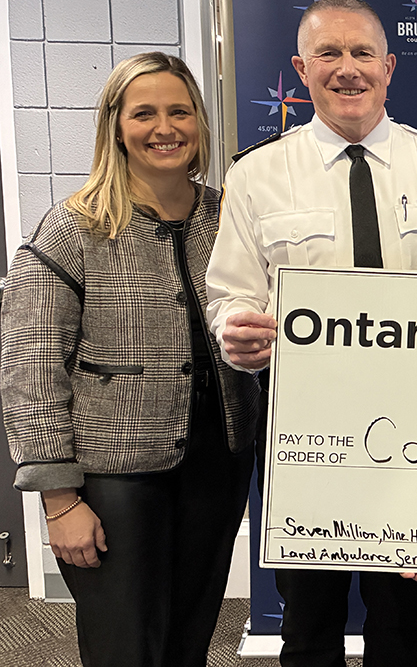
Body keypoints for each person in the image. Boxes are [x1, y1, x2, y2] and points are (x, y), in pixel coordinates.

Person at [205, 0, 417, 667]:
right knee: (309, 620)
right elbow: (230, 294)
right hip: (304, 430)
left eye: (362, 52)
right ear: (301, 69)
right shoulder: (255, 177)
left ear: (389, 66)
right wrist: (236, 333)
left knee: (400, 619)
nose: (347, 69)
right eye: (328, 54)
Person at [0, 52, 260, 667]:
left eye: (180, 111)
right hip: (113, 473)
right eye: (144, 114)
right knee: (124, 647)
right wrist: (58, 500)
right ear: (114, 126)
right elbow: (30, 368)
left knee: (190, 637)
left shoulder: (232, 219)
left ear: (200, 121)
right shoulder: (73, 227)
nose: (164, 128)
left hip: (217, 463)